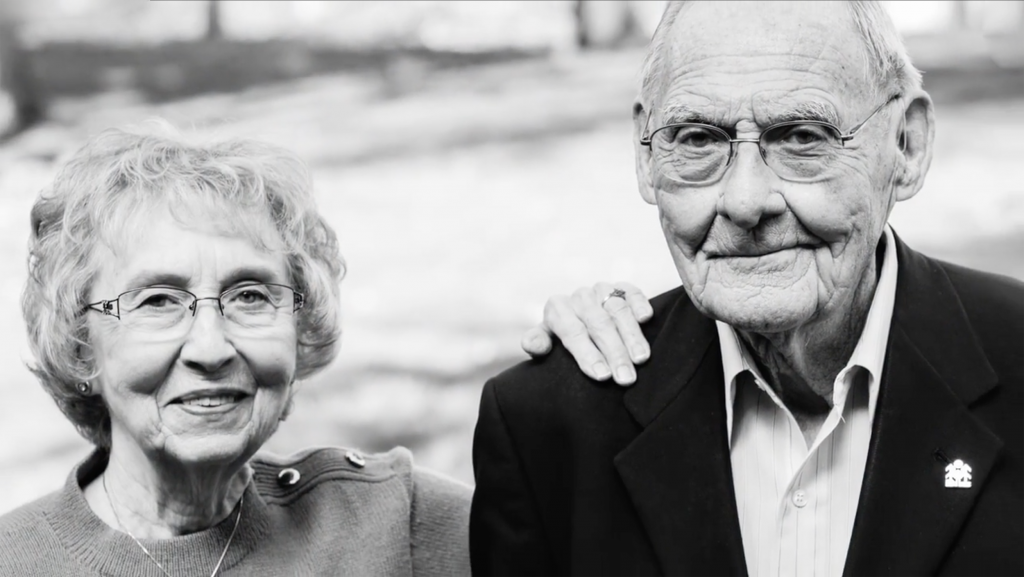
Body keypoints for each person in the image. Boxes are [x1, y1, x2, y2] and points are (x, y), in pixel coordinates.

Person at [471, 1, 1024, 576]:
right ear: (645, 154)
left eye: (803, 137)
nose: (743, 202)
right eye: (697, 140)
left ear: (905, 145)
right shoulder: (552, 427)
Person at [0, 123, 645, 576]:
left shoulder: (397, 524)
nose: (210, 346)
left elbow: (632, 545)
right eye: (157, 301)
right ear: (80, 346)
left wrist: (616, 368)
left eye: (250, 296)